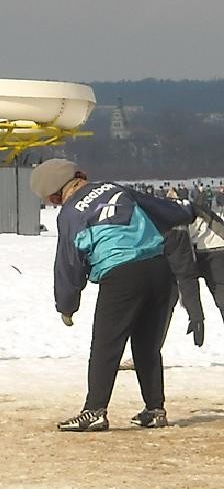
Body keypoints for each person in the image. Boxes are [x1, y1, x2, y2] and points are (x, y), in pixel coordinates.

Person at [30, 158, 194, 432]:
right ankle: (155, 409)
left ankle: (94, 410)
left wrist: (67, 305)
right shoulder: (115, 189)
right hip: (160, 268)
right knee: (147, 345)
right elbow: (165, 210)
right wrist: (187, 211)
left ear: (56, 193)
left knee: (106, 344)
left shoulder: (71, 214)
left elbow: (69, 263)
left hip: (121, 274)